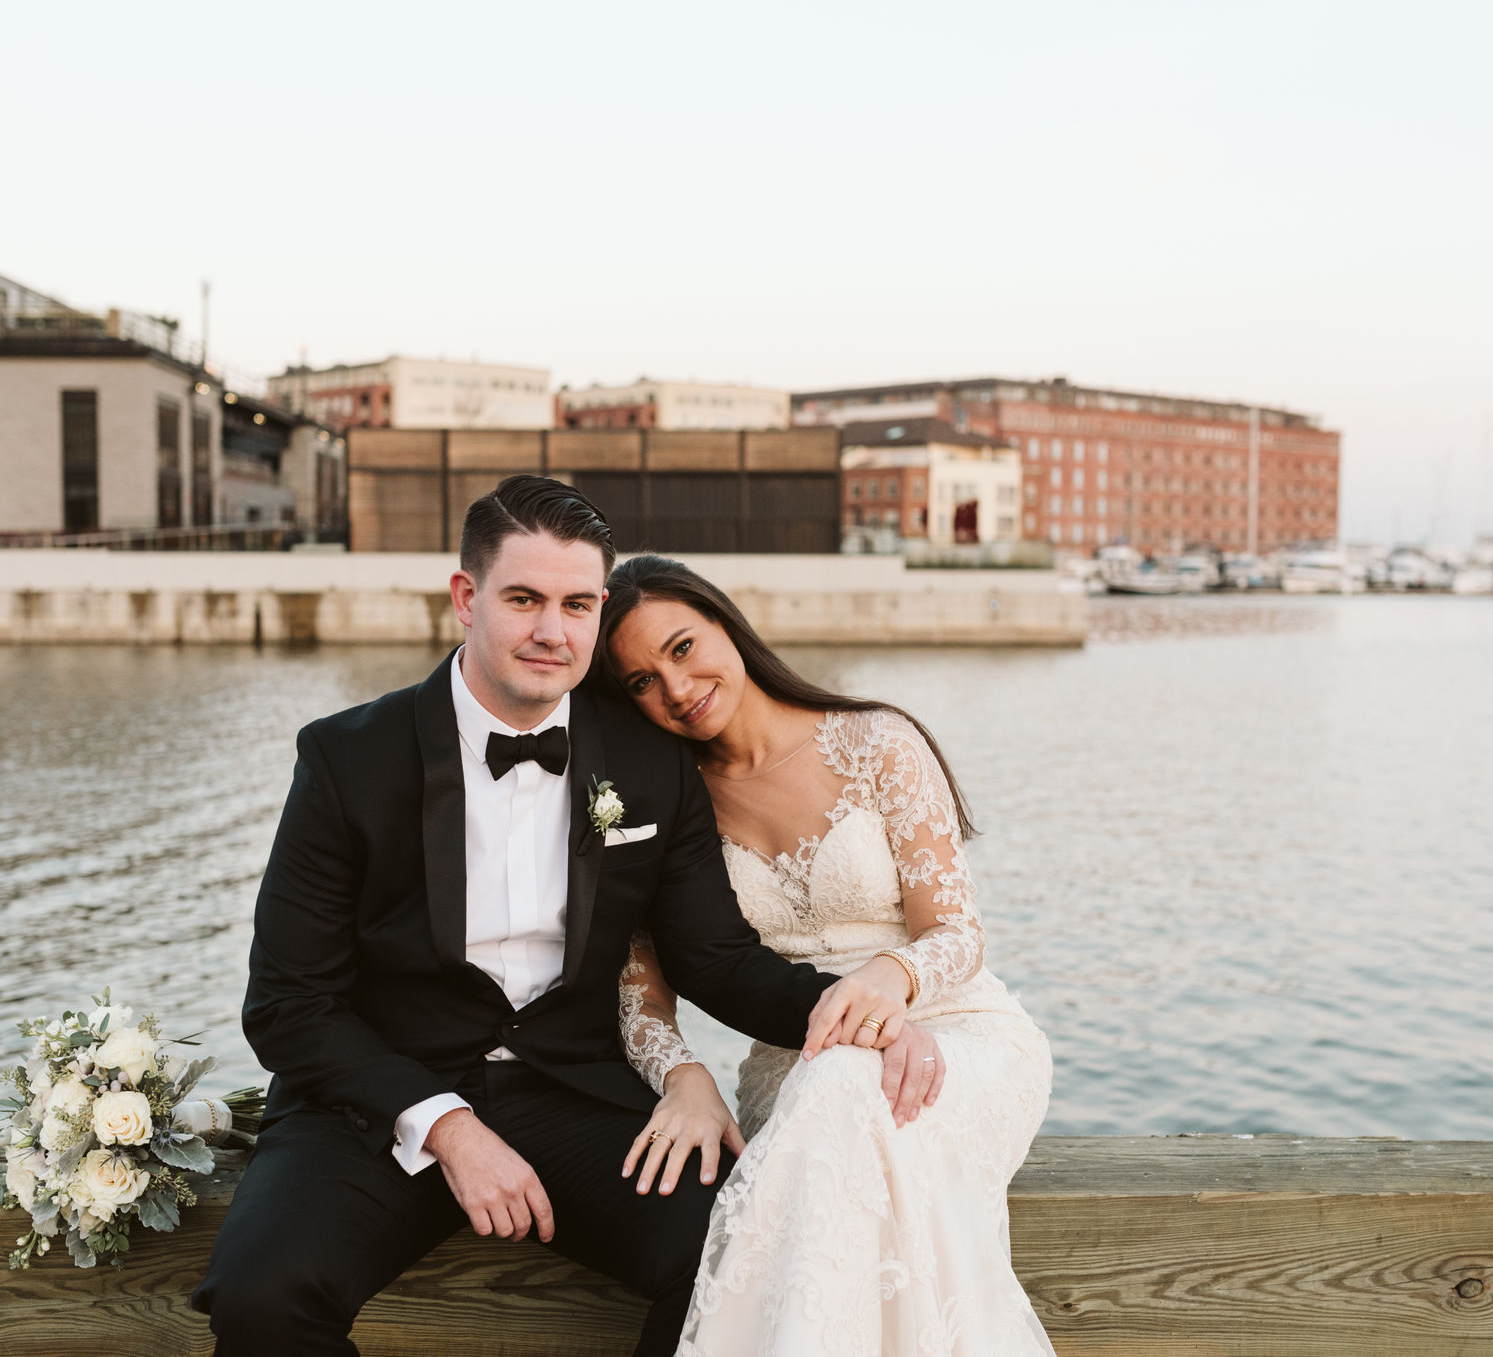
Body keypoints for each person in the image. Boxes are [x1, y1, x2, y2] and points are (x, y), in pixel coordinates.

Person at [191, 477, 945, 1357]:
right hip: (375, 1100)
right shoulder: (346, 757)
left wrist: (865, 1017)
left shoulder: (651, 762)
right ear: (466, 598)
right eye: (525, 599)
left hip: (573, 1092)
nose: (554, 631)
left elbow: (717, 960)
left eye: (578, 604)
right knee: (261, 1297)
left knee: (741, 1250)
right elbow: (289, 1003)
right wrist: (447, 1126)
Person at [593, 554, 1056, 1357]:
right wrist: (686, 1076)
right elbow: (641, 998)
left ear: (724, 622)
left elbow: (958, 932)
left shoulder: (877, 740)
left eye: (681, 646)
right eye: (639, 681)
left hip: (957, 1033)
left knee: (852, 1092)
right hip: (798, 1063)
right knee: (840, 1080)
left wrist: (893, 975)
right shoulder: (662, 797)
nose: (674, 687)